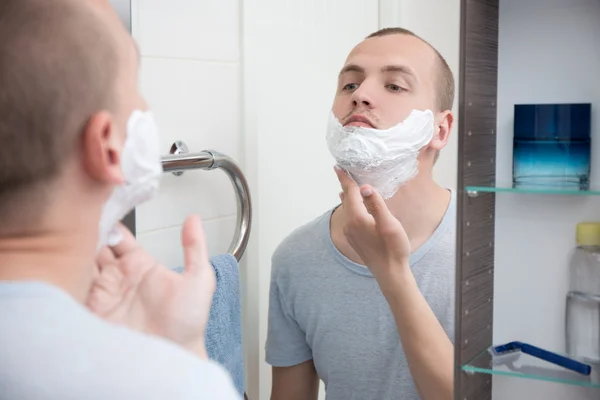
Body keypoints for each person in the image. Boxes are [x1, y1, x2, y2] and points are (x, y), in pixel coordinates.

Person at [0, 0, 241, 398]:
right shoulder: (172, 386)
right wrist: (180, 356)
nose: (146, 107)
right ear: (108, 147)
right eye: (136, 88)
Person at [266, 27, 456, 400]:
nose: (361, 96)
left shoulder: (489, 251)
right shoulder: (295, 258)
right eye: (350, 85)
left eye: (394, 86)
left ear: (440, 129)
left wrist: (392, 274)